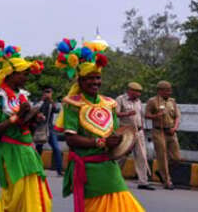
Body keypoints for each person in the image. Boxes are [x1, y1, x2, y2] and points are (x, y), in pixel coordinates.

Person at [53, 39, 145, 211]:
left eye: (98, 78)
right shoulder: (73, 104)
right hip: (88, 169)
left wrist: (121, 140)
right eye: (90, 78)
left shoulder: (109, 103)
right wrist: (100, 142)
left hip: (109, 166)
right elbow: (70, 139)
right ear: (79, 81)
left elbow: (116, 132)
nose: (95, 82)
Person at [0, 40, 52, 212]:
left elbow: (26, 126)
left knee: (38, 196)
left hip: (28, 150)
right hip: (10, 151)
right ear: (10, 74)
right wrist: (17, 117)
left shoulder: (22, 95)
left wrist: (34, 119)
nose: (26, 77)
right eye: (23, 73)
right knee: (15, 199)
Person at [114, 82, 151, 190]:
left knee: (142, 156)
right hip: (126, 131)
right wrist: (127, 114)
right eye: (136, 92)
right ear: (130, 91)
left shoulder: (138, 101)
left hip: (138, 131)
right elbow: (115, 113)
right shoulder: (120, 99)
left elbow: (140, 116)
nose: (138, 94)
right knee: (122, 155)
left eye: (139, 92)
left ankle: (143, 182)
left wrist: (142, 128)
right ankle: (114, 177)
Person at [145, 80, 181, 190]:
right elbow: (146, 115)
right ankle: (167, 181)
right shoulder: (152, 101)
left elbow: (177, 117)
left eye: (170, 90)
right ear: (160, 91)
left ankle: (162, 172)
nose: (169, 92)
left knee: (176, 158)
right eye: (167, 90)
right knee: (162, 156)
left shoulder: (172, 101)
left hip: (171, 132)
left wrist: (174, 128)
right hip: (158, 131)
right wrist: (156, 116)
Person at [33, 87, 63, 176]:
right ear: (43, 93)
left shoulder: (51, 103)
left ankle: (59, 170)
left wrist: (51, 100)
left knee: (56, 149)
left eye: (49, 92)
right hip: (40, 128)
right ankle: (36, 168)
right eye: (46, 92)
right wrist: (42, 100)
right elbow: (34, 109)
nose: (47, 94)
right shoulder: (39, 102)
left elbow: (57, 110)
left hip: (50, 129)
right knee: (38, 149)